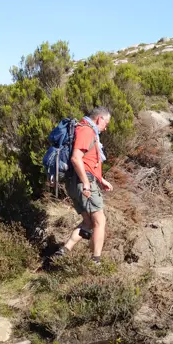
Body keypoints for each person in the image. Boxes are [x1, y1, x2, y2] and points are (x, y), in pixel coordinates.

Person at [53, 107, 114, 263]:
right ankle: (96, 261)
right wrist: (87, 183)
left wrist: (101, 180)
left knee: (88, 223)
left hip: (75, 182)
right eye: (106, 123)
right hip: (83, 183)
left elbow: (88, 161)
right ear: (100, 119)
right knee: (100, 222)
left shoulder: (81, 129)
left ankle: (64, 250)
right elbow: (76, 158)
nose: (105, 128)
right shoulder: (86, 131)